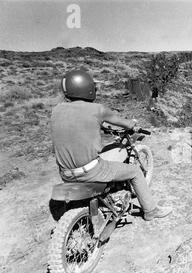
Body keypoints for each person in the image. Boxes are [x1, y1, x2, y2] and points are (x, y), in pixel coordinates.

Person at [51, 69, 171, 220]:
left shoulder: (56, 110)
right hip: (90, 172)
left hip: (65, 173)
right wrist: (132, 124)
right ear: (87, 88)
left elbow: (76, 124)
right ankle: (151, 211)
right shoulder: (97, 109)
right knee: (134, 171)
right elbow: (121, 122)